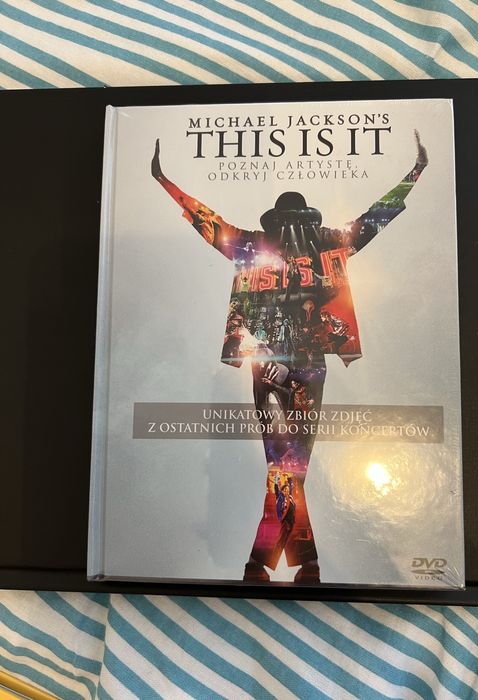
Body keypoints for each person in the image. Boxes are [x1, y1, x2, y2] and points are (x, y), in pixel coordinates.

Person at [151, 131, 428, 583]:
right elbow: (377, 215)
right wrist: (414, 173)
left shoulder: (257, 245)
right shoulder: (322, 241)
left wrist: (166, 182)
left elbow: (207, 220)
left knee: (287, 462)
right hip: (294, 364)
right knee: (289, 462)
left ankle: (270, 564)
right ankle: (291, 565)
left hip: (281, 364)